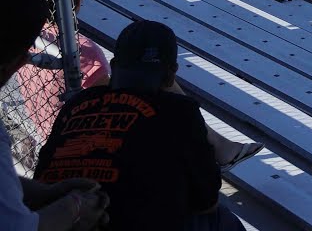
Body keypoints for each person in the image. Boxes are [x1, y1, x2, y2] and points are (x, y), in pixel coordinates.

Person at [35, 20, 247, 231]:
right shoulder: (180, 110)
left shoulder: (77, 103)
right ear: (172, 73)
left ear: (115, 65)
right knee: (224, 221)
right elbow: (207, 201)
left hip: (50, 220)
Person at [0, 0, 110, 231]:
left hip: (45, 136)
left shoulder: (41, 43)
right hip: (76, 146)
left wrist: (47, 192)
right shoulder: (88, 53)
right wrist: (74, 206)